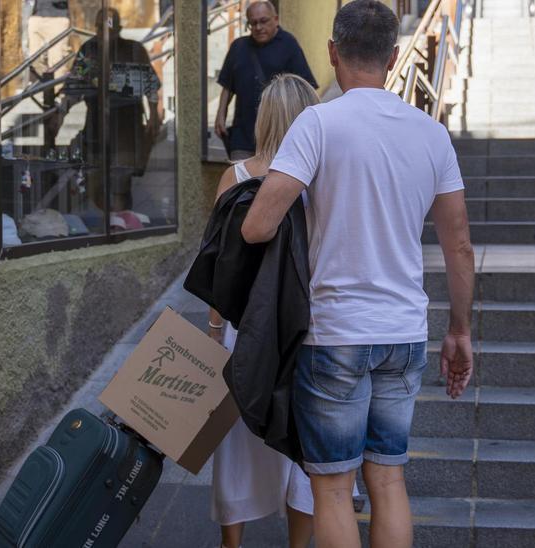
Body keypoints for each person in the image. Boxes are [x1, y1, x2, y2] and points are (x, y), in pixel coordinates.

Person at [240, 2, 476, 547]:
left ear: (331, 53)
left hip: (335, 333)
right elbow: (459, 244)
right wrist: (459, 330)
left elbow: (256, 227)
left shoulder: (318, 123)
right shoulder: (432, 134)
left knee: (331, 487)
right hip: (403, 331)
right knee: (389, 478)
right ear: (394, 58)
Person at [207, 74, 322, 548]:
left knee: (235, 445)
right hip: (303, 328)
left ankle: (231, 543)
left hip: (244, 328)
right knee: (303, 445)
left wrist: (214, 330)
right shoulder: (321, 180)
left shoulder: (234, 178)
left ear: (263, 117)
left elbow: (217, 264)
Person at [70, 7, 162, 214]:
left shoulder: (134, 50)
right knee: (95, 181)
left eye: (109, 25)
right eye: (99, 26)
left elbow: (151, 86)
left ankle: (120, 225)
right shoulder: (89, 51)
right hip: (96, 126)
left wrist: (154, 115)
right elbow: (75, 84)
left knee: (121, 183)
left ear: (118, 28)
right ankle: (107, 225)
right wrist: (61, 112)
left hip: (127, 128)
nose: (104, 31)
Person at [214, 1, 318, 161]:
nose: (258, 27)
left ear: (275, 19)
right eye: (253, 23)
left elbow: (305, 88)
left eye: (263, 21)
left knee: (270, 183)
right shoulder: (238, 47)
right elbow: (227, 85)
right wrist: (220, 115)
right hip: (243, 135)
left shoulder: (289, 45)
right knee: (242, 182)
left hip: (278, 135)